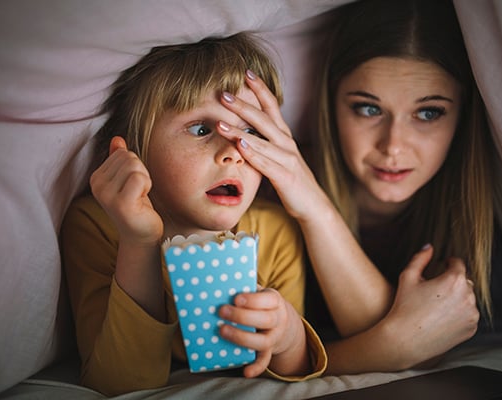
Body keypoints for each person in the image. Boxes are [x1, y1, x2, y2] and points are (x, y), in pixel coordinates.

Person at [214, 0, 502, 376]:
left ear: (463, 114)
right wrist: (395, 348)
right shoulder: (264, 196)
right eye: (368, 109)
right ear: (331, 104)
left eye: (428, 113)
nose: (393, 146)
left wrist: (398, 347)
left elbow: (423, 345)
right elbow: (415, 346)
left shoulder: (499, 219)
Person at [60, 33, 328, 396]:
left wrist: (289, 337)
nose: (234, 151)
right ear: (135, 147)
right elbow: (120, 383)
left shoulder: (275, 233)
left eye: (250, 131)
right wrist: (139, 243)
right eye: (202, 129)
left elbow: (290, 374)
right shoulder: (98, 227)